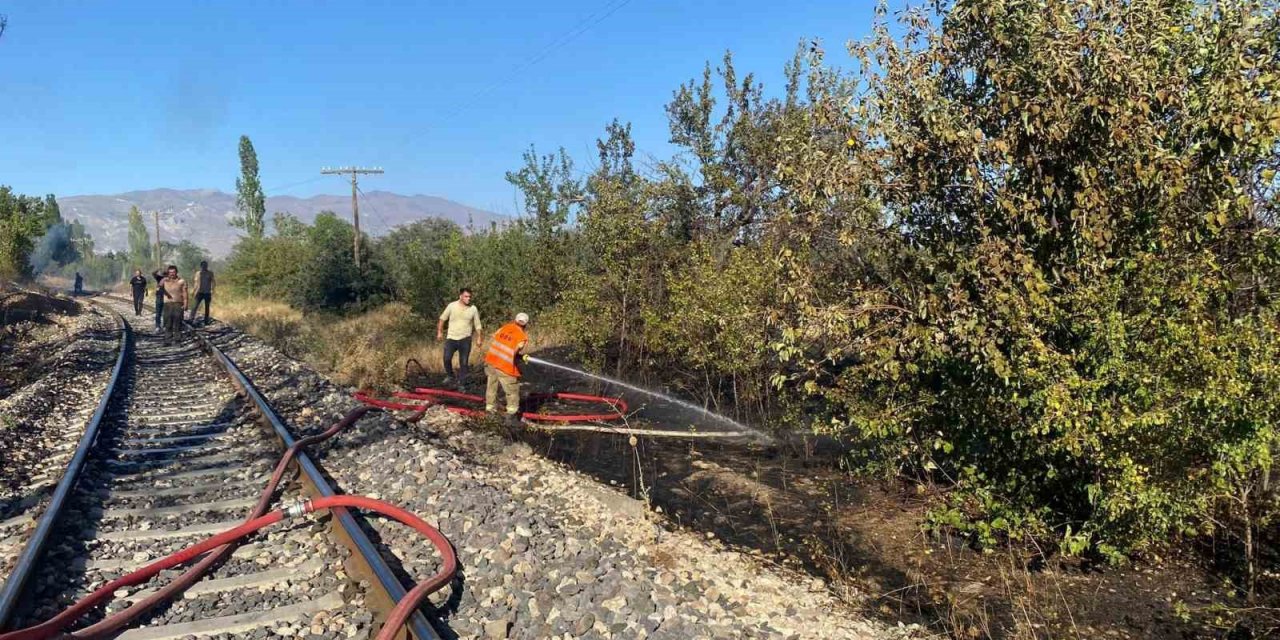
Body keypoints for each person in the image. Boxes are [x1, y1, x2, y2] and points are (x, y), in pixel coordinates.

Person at [484, 312, 529, 426]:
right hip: (504, 366)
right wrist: (519, 357)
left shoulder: (505, 327)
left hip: (491, 360)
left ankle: (489, 410)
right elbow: (513, 352)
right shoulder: (522, 336)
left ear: (515, 320)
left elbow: (497, 339)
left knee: (491, 385)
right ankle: (511, 417)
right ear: (526, 324)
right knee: (512, 390)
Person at [436, 288, 482, 389]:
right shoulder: (452, 306)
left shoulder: (473, 308)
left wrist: (479, 338)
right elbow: (442, 319)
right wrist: (439, 332)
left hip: (465, 338)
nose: (468, 298)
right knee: (446, 358)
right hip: (451, 337)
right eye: (466, 296)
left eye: (470, 297)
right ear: (460, 296)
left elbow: (477, 324)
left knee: (464, 362)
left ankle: (462, 383)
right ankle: (450, 375)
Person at [159, 265, 187, 346]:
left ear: (176, 272)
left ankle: (177, 341)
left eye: (173, 272)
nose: (172, 274)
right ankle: (167, 341)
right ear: (168, 273)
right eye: (170, 272)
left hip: (178, 304)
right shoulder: (164, 280)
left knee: (178, 323)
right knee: (168, 323)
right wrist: (163, 279)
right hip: (167, 304)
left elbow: (185, 292)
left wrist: (186, 303)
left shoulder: (181, 281)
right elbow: (159, 287)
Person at [188, 260, 215, 325]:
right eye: (203, 265)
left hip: (207, 292)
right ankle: (191, 319)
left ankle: (206, 321)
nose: (204, 267)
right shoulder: (198, 273)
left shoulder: (210, 273)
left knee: (207, 307)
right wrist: (193, 291)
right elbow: (195, 283)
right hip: (199, 292)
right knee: (194, 306)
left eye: (205, 265)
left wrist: (212, 289)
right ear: (201, 266)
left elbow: (213, 282)